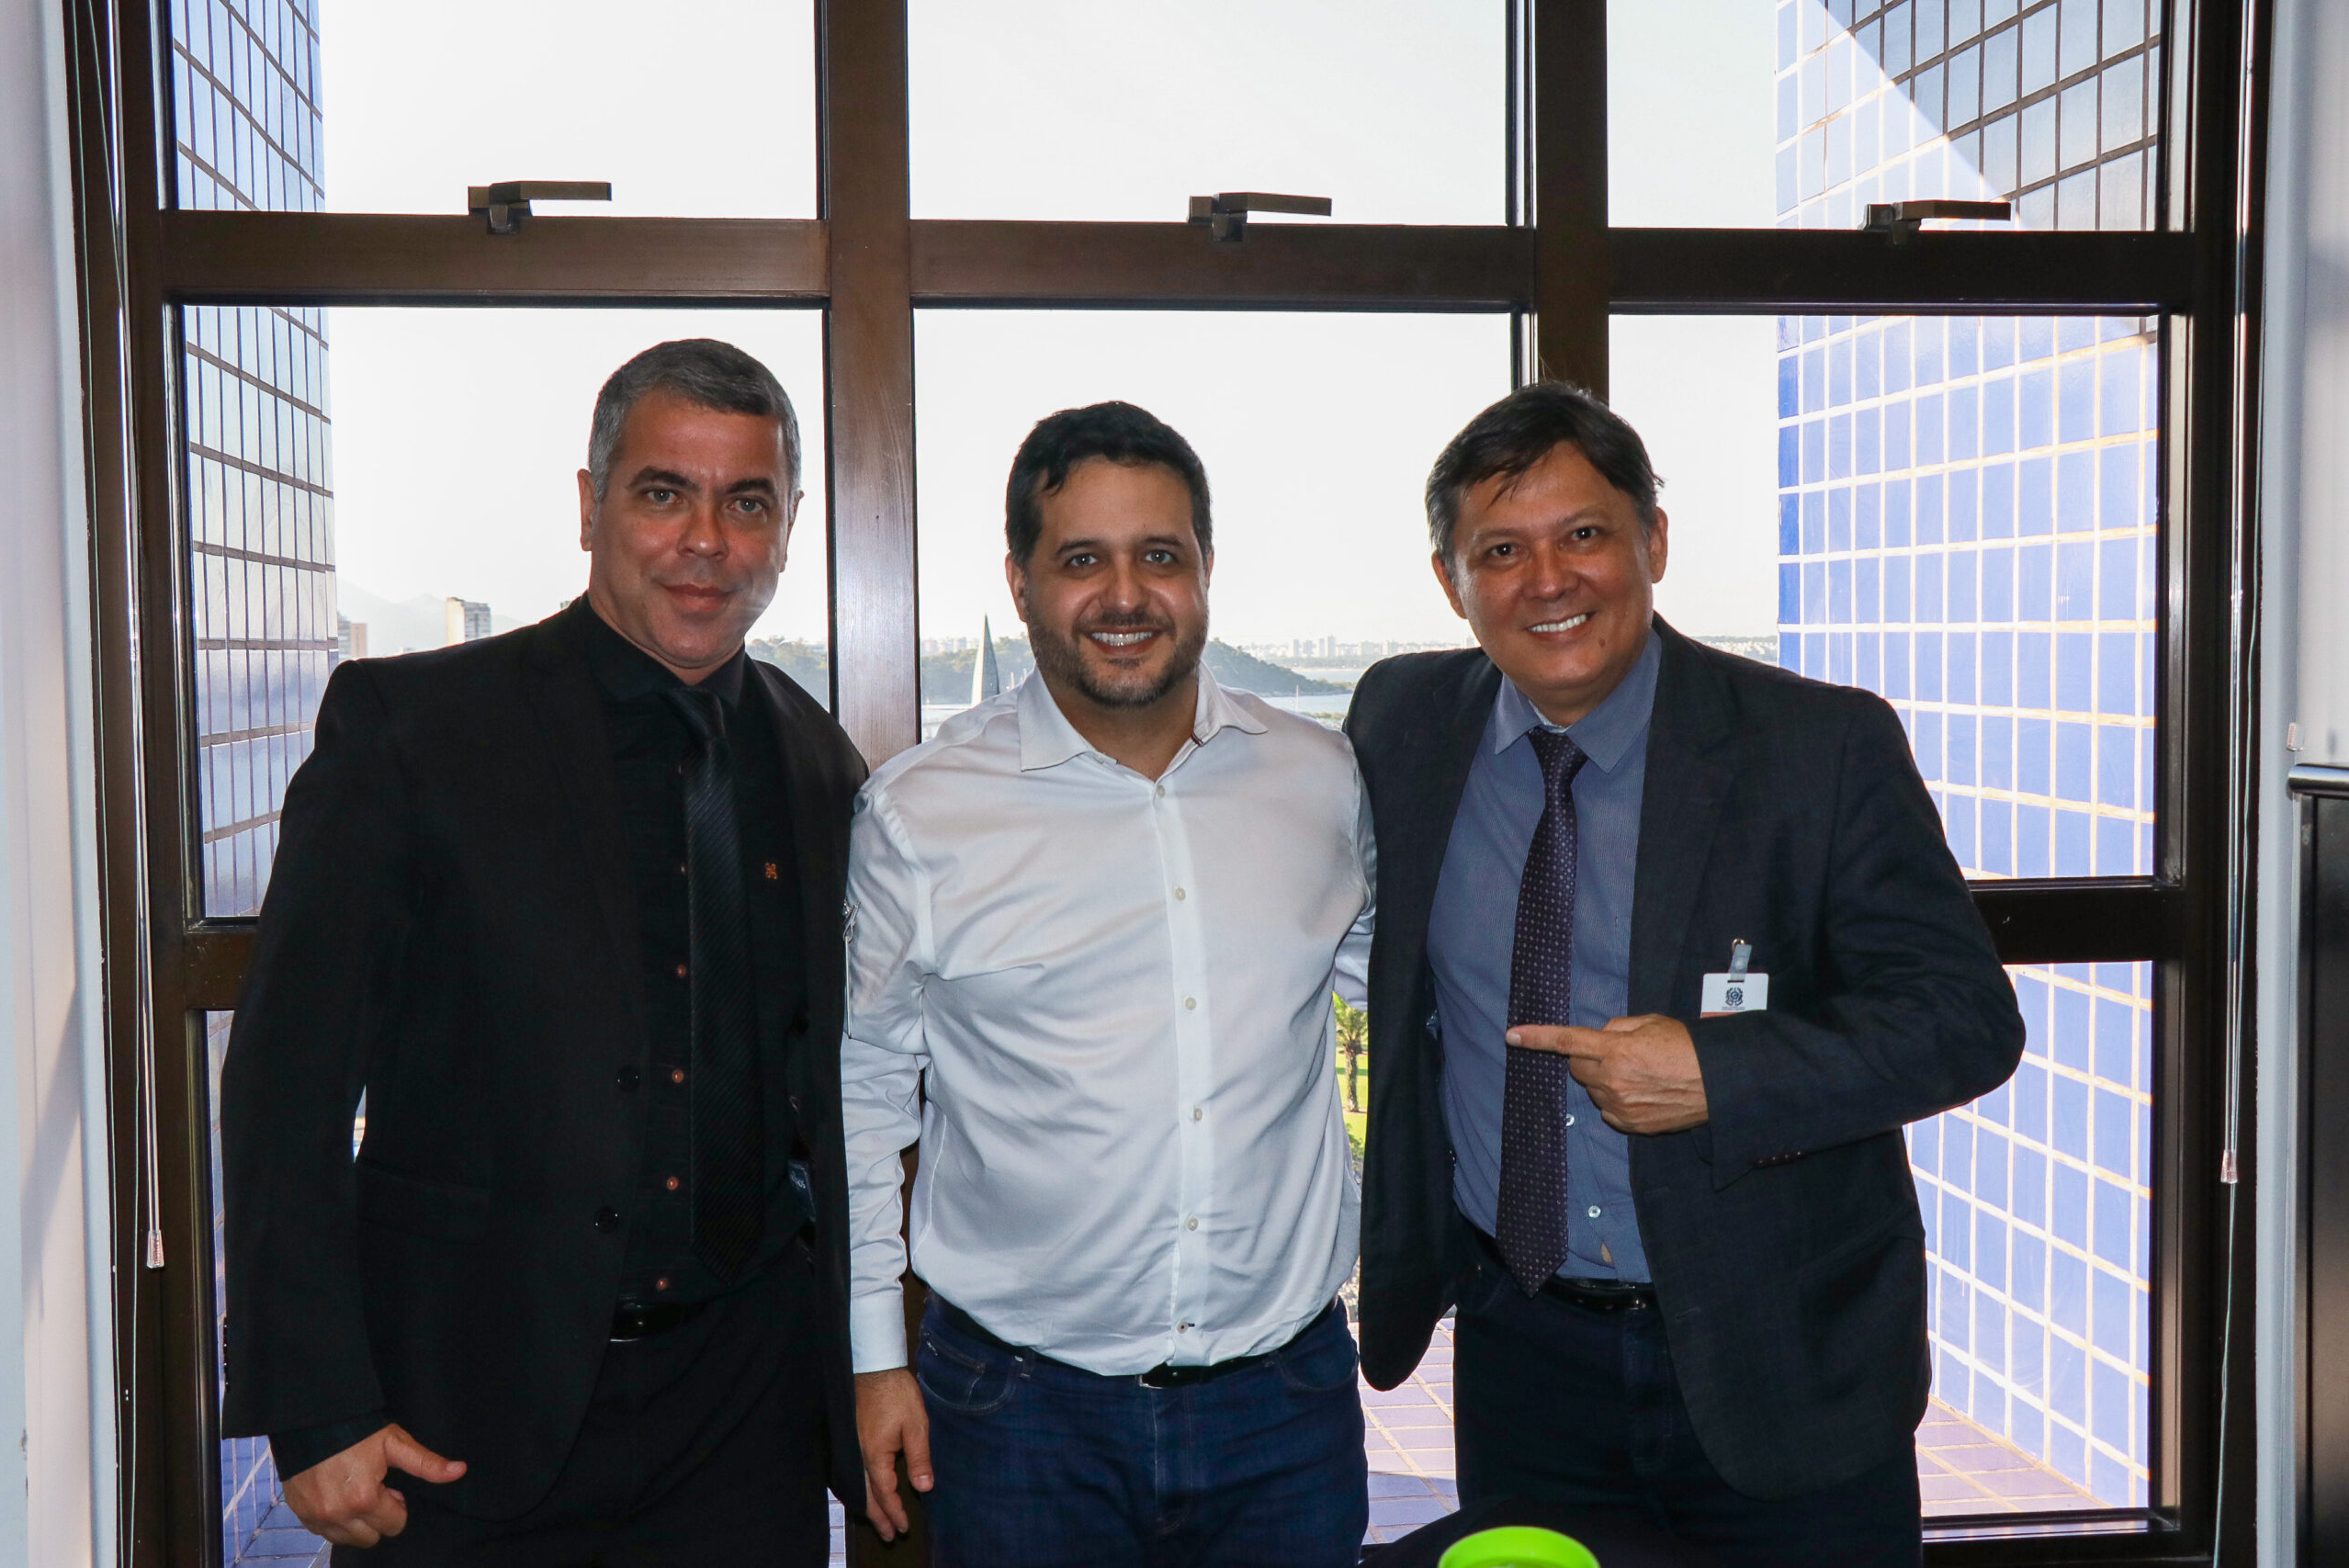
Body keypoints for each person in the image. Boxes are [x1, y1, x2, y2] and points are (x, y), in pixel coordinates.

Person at [1345, 382, 2025, 1566]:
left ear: (1653, 541)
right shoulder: (1401, 722)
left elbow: (1963, 1019)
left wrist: (1721, 1074)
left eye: (1584, 533)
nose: (1546, 579)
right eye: (1500, 550)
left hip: (1781, 1356)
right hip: (1523, 1359)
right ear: (1451, 582)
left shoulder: (1816, 745)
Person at [219, 339, 865, 1563]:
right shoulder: (411, 731)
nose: (706, 540)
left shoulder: (817, 762)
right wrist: (313, 1402)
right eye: (665, 492)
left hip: (743, 1420)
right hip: (462, 1416)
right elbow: (286, 1084)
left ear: (788, 526)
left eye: (747, 502)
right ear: (589, 505)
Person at [843, 401, 1374, 1567]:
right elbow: (862, 1094)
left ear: (1206, 569)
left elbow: (1408, 998)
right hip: (1019, 1414)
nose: (1125, 596)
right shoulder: (920, 813)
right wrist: (875, 1358)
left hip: (1283, 1404)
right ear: (1020, 582)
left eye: (1159, 556)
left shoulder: (1321, 780)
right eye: (1082, 559)